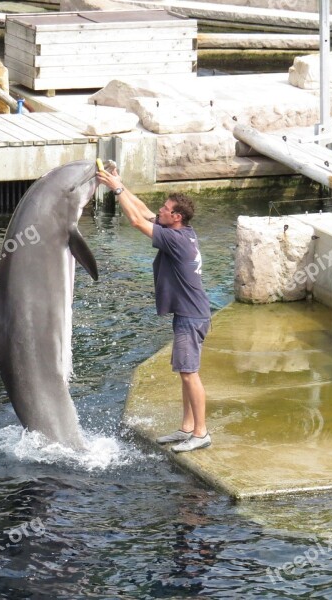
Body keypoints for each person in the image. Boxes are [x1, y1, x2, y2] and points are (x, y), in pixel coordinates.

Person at [97, 165, 212, 453]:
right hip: (191, 313)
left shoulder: (174, 241)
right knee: (185, 371)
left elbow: (136, 221)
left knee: (189, 373)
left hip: (191, 316)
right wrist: (121, 185)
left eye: (166, 208)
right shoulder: (182, 231)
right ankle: (187, 427)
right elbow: (144, 210)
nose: (160, 210)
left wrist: (117, 190)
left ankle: (201, 433)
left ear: (176, 217)